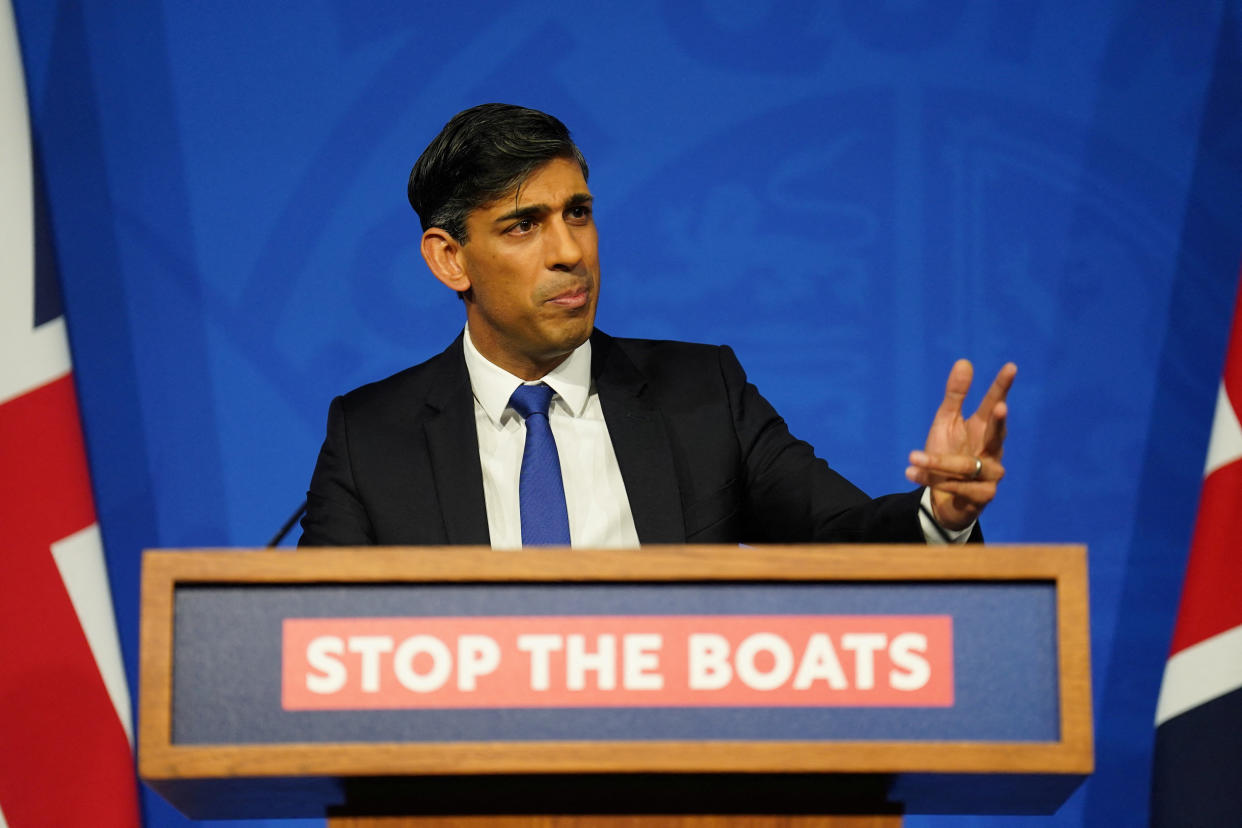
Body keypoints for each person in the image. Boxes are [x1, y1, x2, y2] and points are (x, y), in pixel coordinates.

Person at [299, 103, 1015, 549]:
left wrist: (940, 515)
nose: (571, 252)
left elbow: (838, 534)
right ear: (450, 259)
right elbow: (311, 644)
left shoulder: (702, 395)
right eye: (524, 227)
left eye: (577, 212)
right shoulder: (371, 437)